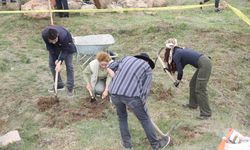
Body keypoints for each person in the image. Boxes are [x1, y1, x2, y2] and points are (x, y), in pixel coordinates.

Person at [108, 53, 170, 150]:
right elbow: (145, 90)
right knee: (145, 119)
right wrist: (142, 106)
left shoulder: (126, 58)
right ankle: (156, 145)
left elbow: (110, 65)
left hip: (114, 92)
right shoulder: (147, 68)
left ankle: (127, 145)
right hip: (132, 96)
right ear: (147, 61)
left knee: (122, 118)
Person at [164, 38, 212, 120]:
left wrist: (178, 81)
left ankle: (206, 113)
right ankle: (193, 104)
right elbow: (180, 68)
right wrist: (168, 69)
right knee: (193, 84)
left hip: (205, 64)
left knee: (200, 89)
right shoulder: (180, 51)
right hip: (204, 63)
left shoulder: (176, 54)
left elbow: (180, 72)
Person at [41, 25, 76, 97]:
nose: (53, 42)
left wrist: (60, 61)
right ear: (48, 38)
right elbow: (50, 47)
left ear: (57, 35)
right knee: (52, 65)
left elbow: (65, 50)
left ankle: (70, 88)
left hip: (67, 47)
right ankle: (59, 85)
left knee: (69, 66)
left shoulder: (64, 36)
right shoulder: (44, 34)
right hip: (55, 49)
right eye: (51, 41)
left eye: (55, 40)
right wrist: (55, 59)